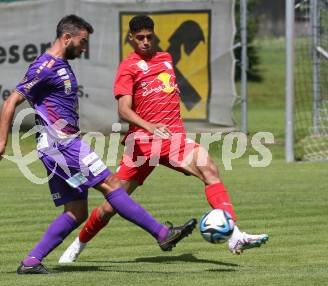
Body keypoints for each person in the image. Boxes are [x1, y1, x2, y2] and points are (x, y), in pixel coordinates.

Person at [0, 15, 197, 275]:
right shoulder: (45, 66)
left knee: (76, 212)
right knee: (112, 185)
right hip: (62, 145)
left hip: (58, 146)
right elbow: (11, 101)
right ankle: (163, 234)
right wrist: (1, 143)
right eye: (82, 42)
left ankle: (31, 261)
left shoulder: (61, 64)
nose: (84, 48)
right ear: (66, 38)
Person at [59, 15, 268, 264]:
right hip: (142, 144)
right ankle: (78, 244)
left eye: (149, 37)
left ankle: (234, 233)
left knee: (209, 168)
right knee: (112, 204)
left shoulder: (166, 59)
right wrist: (150, 126)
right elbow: (123, 111)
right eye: (140, 38)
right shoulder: (128, 67)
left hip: (170, 139)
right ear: (130, 38)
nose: (145, 42)